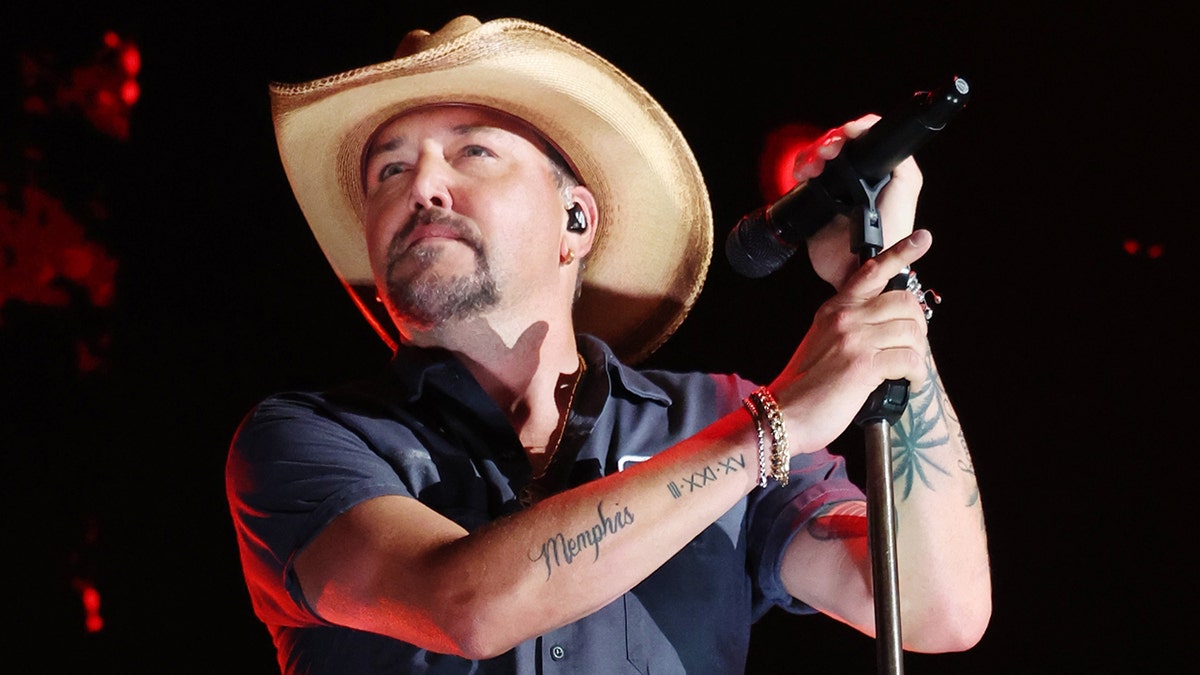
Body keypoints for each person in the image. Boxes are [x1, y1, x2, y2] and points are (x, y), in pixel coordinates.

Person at [226, 15, 991, 674]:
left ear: (577, 221)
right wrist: (771, 428)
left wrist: (884, 282)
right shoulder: (307, 440)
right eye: (390, 169)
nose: (422, 185)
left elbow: (936, 608)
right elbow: (462, 604)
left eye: (471, 153)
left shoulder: (707, 413)